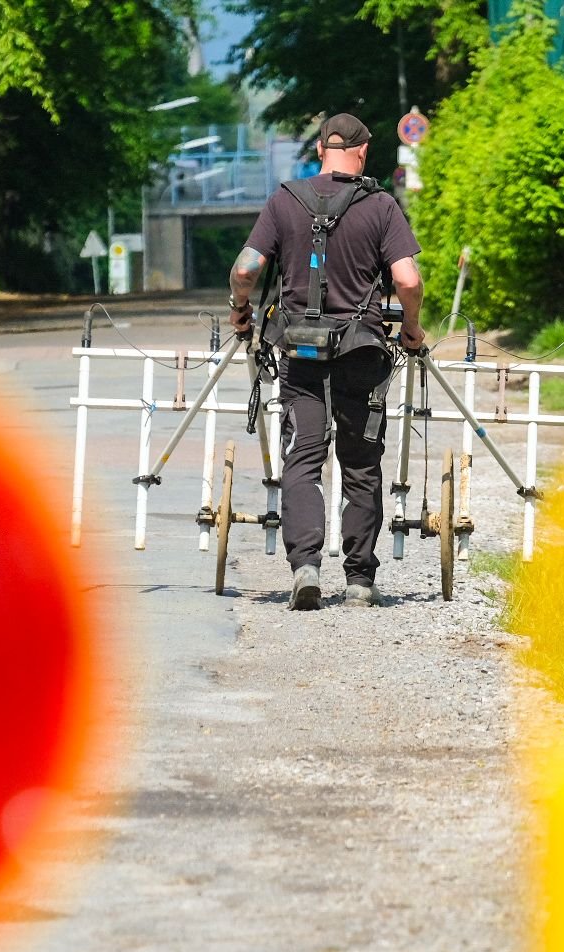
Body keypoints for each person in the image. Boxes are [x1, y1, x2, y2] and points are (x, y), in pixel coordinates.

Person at [227, 113, 424, 610]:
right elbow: (408, 280)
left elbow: (246, 269)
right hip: (362, 349)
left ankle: (306, 568)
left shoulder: (284, 199)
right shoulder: (380, 204)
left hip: (300, 350)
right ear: (361, 152)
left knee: (304, 456)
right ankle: (358, 580)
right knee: (360, 463)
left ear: (320, 150)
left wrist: (240, 311)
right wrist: (412, 327)